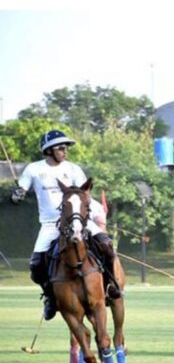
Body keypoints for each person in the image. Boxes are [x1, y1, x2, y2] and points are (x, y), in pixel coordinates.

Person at [9, 130, 121, 321]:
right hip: (51, 224)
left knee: (106, 244)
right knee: (36, 265)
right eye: (60, 148)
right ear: (49, 150)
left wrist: (95, 216)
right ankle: (50, 297)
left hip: (77, 222)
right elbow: (21, 188)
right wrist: (17, 194)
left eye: (66, 147)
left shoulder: (73, 169)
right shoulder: (34, 169)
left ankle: (111, 285)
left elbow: (84, 195)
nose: (65, 151)